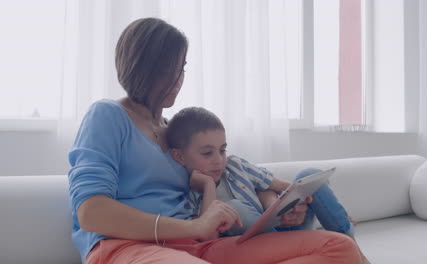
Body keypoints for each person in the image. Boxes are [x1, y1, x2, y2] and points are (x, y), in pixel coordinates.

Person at [68, 17, 362, 264]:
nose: (177, 80)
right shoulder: (107, 115)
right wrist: (192, 225)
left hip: (197, 246)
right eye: (168, 70)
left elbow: (234, 175)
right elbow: (91, 212)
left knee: (339, 248)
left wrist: (278, 207)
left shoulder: (175, 133)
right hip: (123, 247)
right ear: (140, 68)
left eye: (181, 68)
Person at [167, 107, 371, 263]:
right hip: (262, 246)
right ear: (179, 155)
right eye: (207, 153)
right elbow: (206, 238)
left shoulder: (235, 165)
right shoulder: (186, 194)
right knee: (235, 208)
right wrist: (208, 187)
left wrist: (294, 203)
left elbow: (283, 186)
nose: (219, 160)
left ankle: (352, 247)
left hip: (281, 228)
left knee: (308, 174)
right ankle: (320, 245)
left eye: (222, 150)